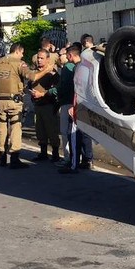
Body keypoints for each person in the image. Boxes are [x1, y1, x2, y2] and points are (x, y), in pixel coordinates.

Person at [0, 43, 53, 169]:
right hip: (13, 101)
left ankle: (2, 156)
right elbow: (32, 77)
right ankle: (14, 158)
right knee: (16, 127)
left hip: (0, 100)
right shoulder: (19, 63)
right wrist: (47, 70)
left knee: (2, 127)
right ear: (18, 51)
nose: (22, 55)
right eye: (22, 53)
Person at [53, 45, 83, 174]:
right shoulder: (79, 67)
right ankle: (74, 162)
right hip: (76, 104)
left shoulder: (78, 67)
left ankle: (73, 164)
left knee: (73, 135)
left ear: (70, 55)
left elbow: (78, 90)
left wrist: (73, 105)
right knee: (74, 135)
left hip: (74, 105)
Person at [29, 49, 61, 162]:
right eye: (38, 58)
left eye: (42, 58)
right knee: (40, 130)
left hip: (49, 105)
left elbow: (56, 89)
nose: (39, 60)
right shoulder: (34, 73)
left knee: (51, 130)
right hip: (37, 106)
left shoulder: (52, 74)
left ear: (48, 59)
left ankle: (55, 153)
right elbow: (29, 83)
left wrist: (42, 95)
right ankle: (43, 152)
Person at [78, 34, 95, 169]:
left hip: (88, 99)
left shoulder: (92, 56)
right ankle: (86, 158)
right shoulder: (94, 56)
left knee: (85, 132)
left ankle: (88, 159)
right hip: (86, 98)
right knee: (83, 131)